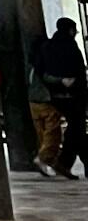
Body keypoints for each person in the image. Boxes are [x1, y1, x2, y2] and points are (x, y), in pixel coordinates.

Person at [33, 16, 88, 179]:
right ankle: (63, 162)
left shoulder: (47, 47)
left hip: (54, 97)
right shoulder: (71, 47)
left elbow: (41, 71)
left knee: (75, 130)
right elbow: (79, 72)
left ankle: (64, 163)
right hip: (73, 96)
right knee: (77, 129)